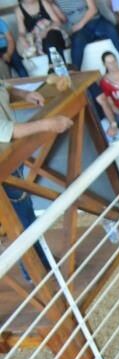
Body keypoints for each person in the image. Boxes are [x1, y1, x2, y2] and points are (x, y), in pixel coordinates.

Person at [1, 80, 73, 280]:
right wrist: (49, 124)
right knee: (21, 219)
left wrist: (24, 95)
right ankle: (35, 272)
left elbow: (5, 88)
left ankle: (43, 263)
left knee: (25, 213)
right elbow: (8, 130)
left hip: (10, 158)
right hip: (3, 166)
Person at [53, 0, 119, 69]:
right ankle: (75, 73)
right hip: (80, 30)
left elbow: (93, 9)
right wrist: (50, 4)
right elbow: (63, 19)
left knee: (112, 31)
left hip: (95, 21)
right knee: (77, 42)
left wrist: (80, 24)